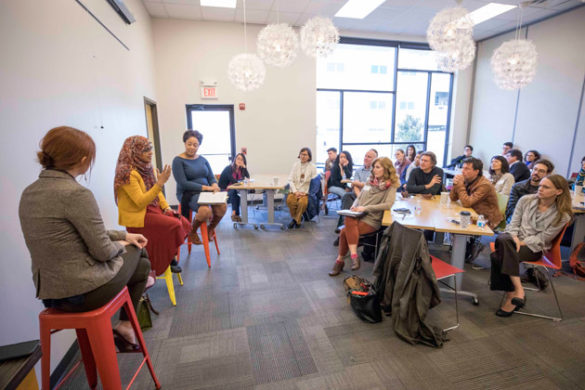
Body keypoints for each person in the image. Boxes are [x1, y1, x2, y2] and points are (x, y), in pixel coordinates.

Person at [19, 126, 150, 352]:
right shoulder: (76, 193)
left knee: (141, 261)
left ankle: (141, 287)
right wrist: (122, 244)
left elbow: (81, 233)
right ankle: (128, 320)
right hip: (82, 293)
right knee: (140, 254)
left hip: (50, 293)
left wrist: (124, 235)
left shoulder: (29, 192)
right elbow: (103, 251)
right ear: (83, 159)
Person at [490, 174, 572, 317]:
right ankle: (518, 290)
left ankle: (511, 295)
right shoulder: (526, 200)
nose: (540, 189)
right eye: (540, 185)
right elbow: (513, 223)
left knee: (498, 254)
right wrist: (514, 237)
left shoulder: (562, 215)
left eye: (546, 187)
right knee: (504, 239)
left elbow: (543, 238)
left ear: (558, 191)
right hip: (512, 239)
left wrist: (520, 242)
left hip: (533, 248)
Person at [115, 136, 191, 276]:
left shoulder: (146, 167)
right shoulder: (127, 173)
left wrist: (166, 207)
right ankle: (165, 260)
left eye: (150, 148)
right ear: (134, 152)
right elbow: (140, 201)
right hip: (139, 215)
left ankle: (169, 256)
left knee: (183, 222)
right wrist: (160, 183)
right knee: (174, 225)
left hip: (151, 209)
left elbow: (157, 194)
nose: (150, 152)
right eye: (145, 150)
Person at [329, 157, 399, 276]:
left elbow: (388, 204)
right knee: (349, 217)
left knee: (344, 231)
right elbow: (360, 197)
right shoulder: (370, 181)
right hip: (358, 214)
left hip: (371, 219)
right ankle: (354, 256)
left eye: (377, 167)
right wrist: (354, 205)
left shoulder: (391, 185)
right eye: (374, 167)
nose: (374, 170)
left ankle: (340, 261)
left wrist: (365, 208)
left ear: (386, 169)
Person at [172, 130, 227, 244]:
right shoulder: (178, 161)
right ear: (184, 143)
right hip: (188, 193)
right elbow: (183, 183)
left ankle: (210, 228)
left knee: (222, 207)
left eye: (195, 145)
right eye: (189, 144)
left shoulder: (202, 159)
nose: (192, 147)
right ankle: (192, 230)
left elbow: (211, 177)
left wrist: (214, 185)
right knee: (205, 212)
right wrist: (207, 188)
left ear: (199, 146)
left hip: (206, 193)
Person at [334, 148, 378, 235]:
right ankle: (344, 225)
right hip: (358, 195)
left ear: (374, 160)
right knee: (347, 196)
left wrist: (360, 184)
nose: (365, 158)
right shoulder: (358, 170)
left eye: (369, 157)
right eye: (365, 156)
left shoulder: (376, 171)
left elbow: (372, 187)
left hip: (370, 196)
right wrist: (360, 197)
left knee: (351, 199)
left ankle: (345, 231)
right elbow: (354, 186)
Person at [450, 157, 502, 229]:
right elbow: (453, 198)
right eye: (463, 168)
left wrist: (460, 184)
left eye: (467, 169)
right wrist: (455, 184)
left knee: (455, 225)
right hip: (472, 213)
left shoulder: (484, 185)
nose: (462, 171)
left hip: (486, 219)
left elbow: (466, 203)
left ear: (476, 171)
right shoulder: (467, 179)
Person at [286, 147, 317, 229]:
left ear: (309, 156)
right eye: (301, 154)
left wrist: (305, 192)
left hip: (305, 192)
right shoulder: (295, 165)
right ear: (299, 155)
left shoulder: (312, 167)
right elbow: (290, 179)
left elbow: (314, 183)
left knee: (302, 203)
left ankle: (295, 220)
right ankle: (298, 219)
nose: (303, 156)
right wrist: (295, 191)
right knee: (290, 201)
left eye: (305, 155)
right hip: (295, 190)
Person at [218, 152, 250, 222]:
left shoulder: (241, 170)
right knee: (235, 192)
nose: (239, 161)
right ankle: (234, 214)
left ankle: (235, 214)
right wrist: (241, 182)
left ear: (243, 162)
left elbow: (248, 177)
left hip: (232, 190)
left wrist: (245, 168)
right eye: (238, 159)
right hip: (223, 191)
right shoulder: (229, 168)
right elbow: (233, 181)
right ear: (235, 159)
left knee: (236, 193)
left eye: (241, 160)